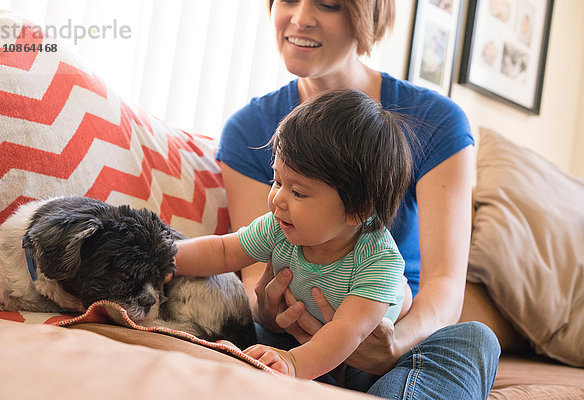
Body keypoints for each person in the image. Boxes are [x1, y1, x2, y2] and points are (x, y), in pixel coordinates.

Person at [215, 0, 500, 398]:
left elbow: (443, 285)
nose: (299, 18)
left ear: (368, 16)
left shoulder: (436, 120)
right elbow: (253, 272)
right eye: (288, 0)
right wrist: (269, 313)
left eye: (328, 4)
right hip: (296, 331)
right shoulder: (250, 128)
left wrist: (391, 346)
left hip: (394, 332)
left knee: (473, 340)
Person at [174, 89, 413, 380]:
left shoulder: (377, 261)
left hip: (362, 348)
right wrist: (165, 257)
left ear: (357, 211)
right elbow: (224, 251)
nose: (277, 199)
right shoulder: (280, 226)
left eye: (298, 192)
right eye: (276, 181)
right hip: (303, 336)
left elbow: (347, 330)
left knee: (450, 328)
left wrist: (293, 364)